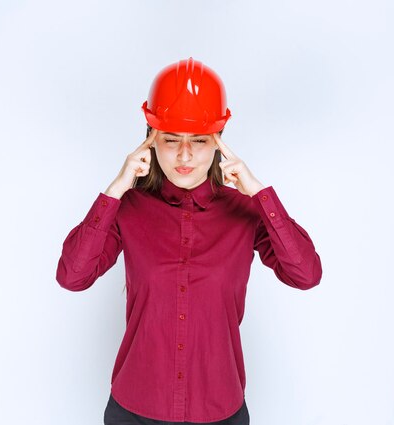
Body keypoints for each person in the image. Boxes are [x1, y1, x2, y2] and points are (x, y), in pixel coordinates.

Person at [56, 57, 323, 425]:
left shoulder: (245, 212)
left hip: (219, 410)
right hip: (135, 410)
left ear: (218, 142)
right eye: (170, 140)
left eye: (198, 141)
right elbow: (72, 276)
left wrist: (261, 194)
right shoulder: (128, 208)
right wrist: (116, 188)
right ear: (151, 139)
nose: (184, 155)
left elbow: (306, 274)